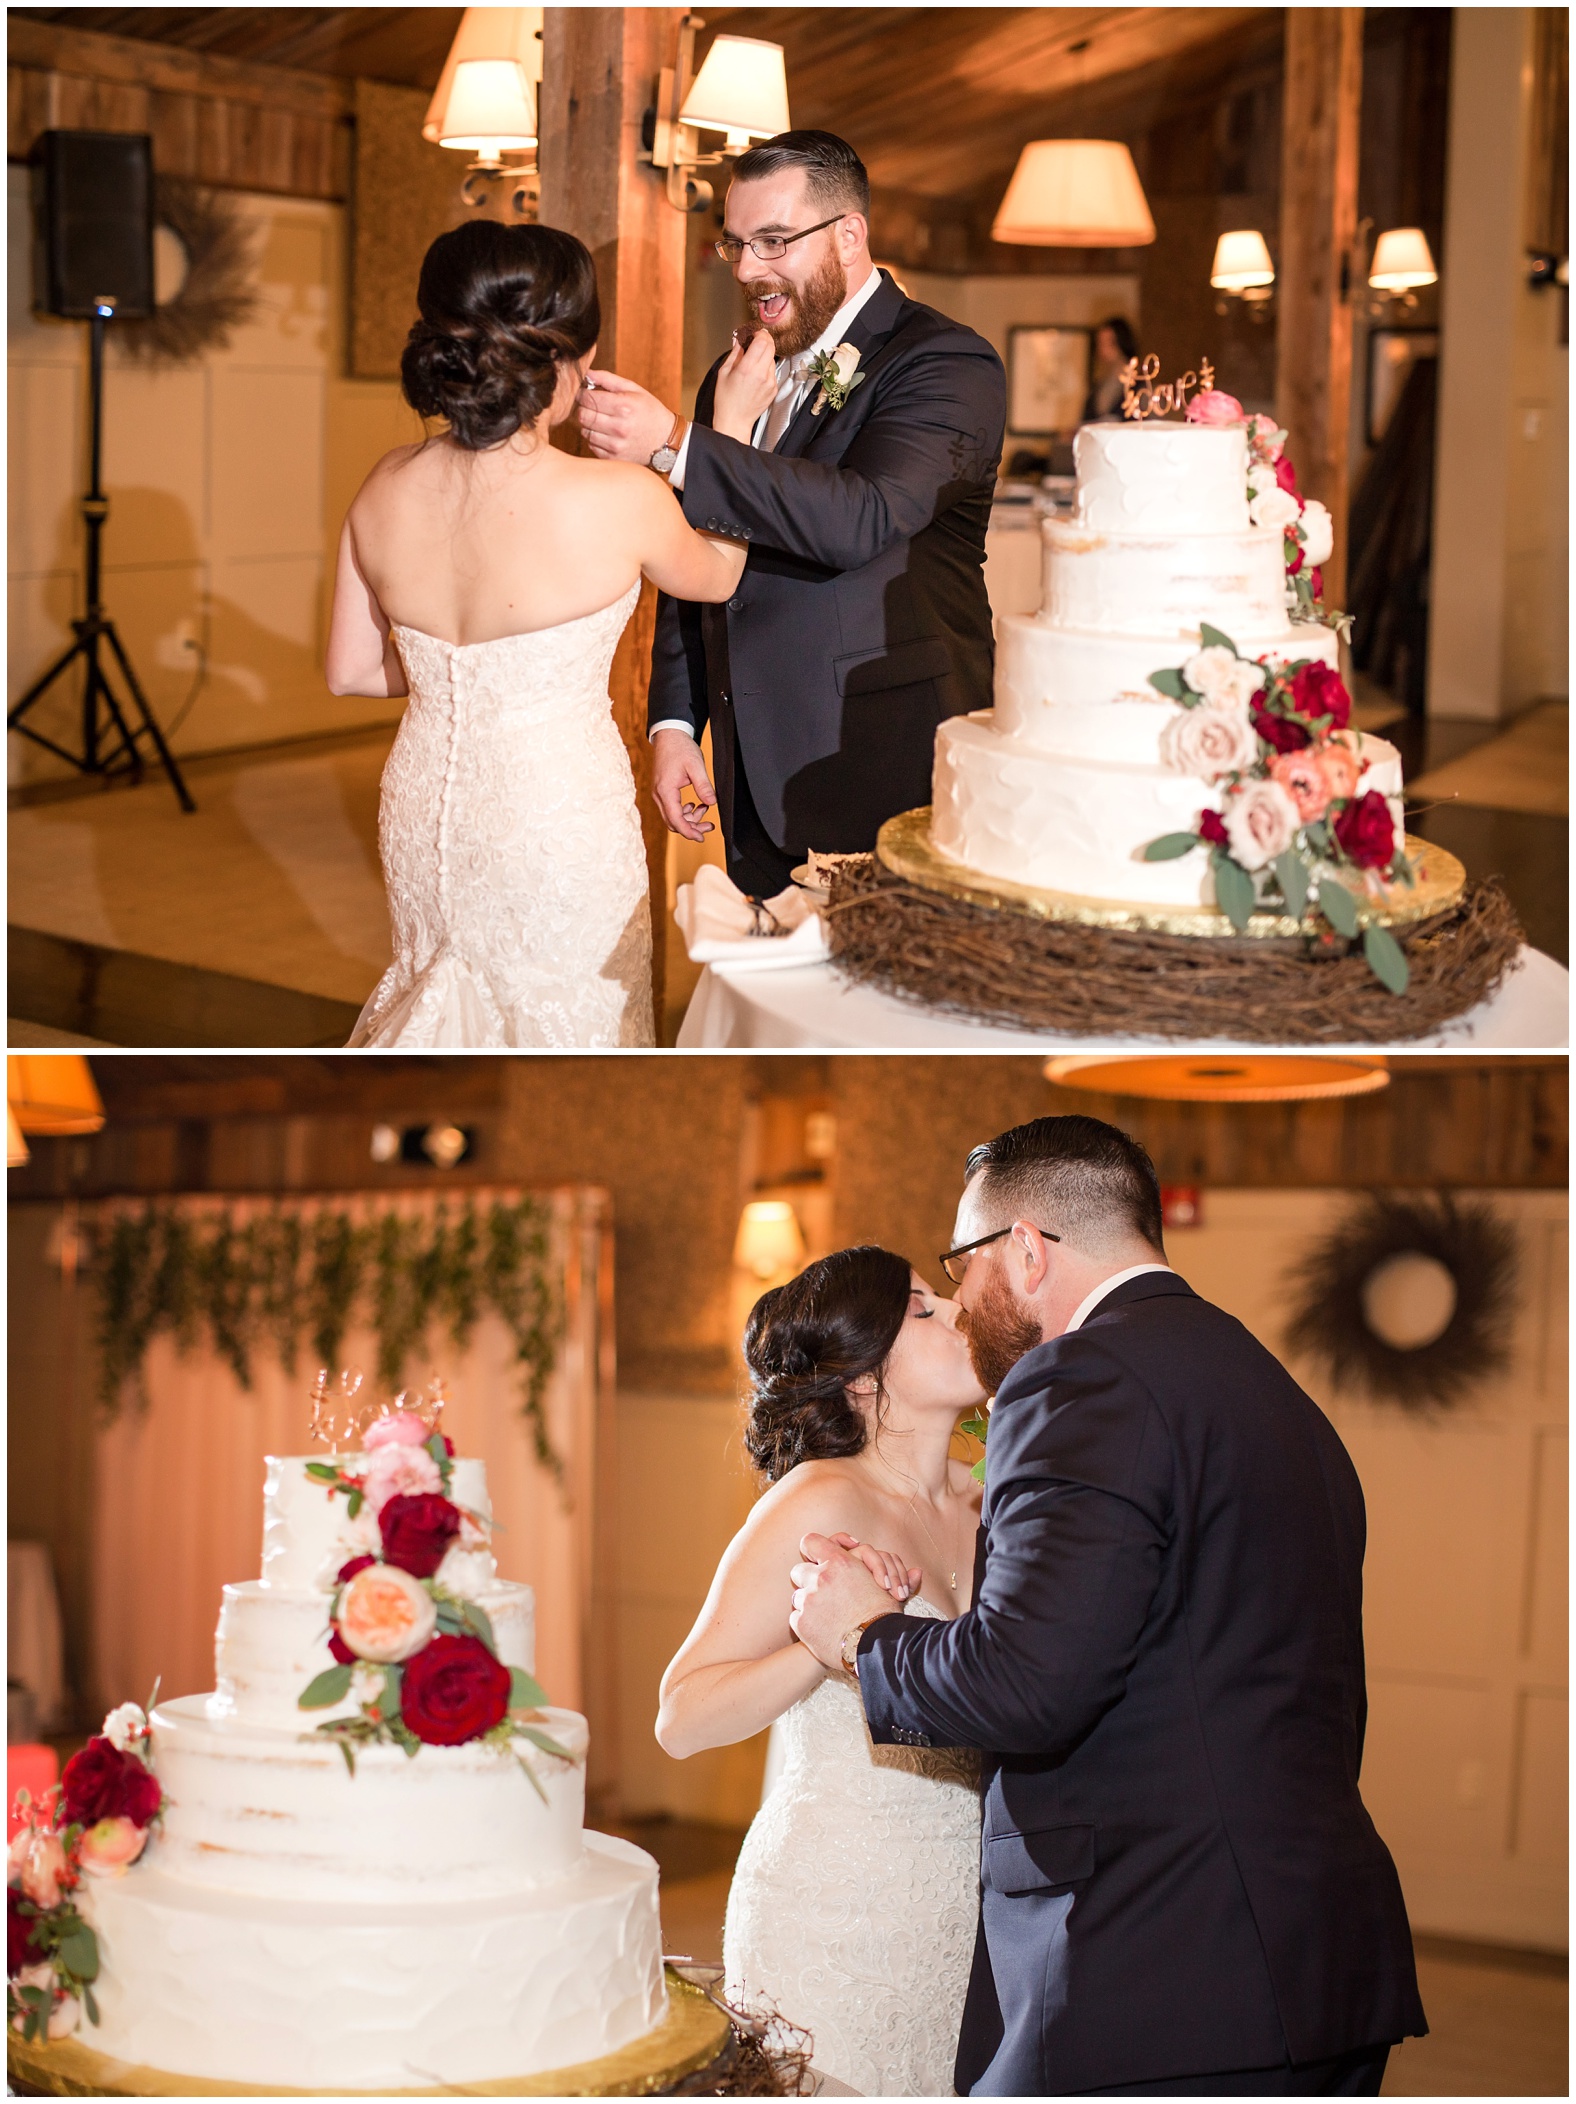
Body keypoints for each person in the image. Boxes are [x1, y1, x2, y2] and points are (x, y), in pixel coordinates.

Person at [790, 1115, 1428, 2097]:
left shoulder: (1080, 1377)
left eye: (963, 1265)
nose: (962, 1303)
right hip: (1313, 1956)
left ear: (1027, 1250)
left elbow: (1029, 1680)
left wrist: (861, 1635)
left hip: (1161, 1971)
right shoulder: (1271, 1393)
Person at [324, 221, 775, 1046]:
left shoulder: (383, 484)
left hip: (425, 813)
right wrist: (728, 429)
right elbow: (721, 571)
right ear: (569, 359)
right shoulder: (616, 499)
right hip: (555, 820)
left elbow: (352, 670)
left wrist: (452, 669)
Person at [577, 130, 1007, 899]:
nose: (747, 270)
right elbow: (698, 546)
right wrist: (674, 724)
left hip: (880, 762)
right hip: (751, 771)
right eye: (736, 244)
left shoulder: (946, 362)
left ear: (849, 236)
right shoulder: (739, 371)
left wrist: (680, 443)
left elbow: (862, 520)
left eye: (773, 241)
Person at [656, 1247, 986, 2096]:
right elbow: (683, 1716)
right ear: (864, 1379)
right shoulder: (819, 1500)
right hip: (834, 1908)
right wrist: (821, 1643)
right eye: (921, 1310)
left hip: (968, 1915)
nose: (956, 1313)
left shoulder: (993, 1501)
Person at [1081, 316, 1139, 423]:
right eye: (1100, 343)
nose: (1102, 349)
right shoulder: (1098, 388)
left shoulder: (1140, 388)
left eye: (1109, 343)